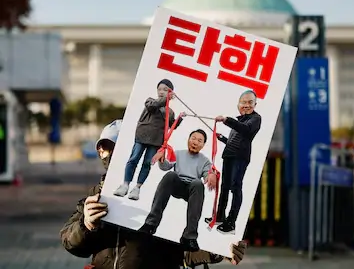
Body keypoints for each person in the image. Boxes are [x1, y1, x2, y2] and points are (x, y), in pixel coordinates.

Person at [60, 119, 247, 269]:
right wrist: (86, 224)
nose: (110, 154)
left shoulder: (164, 193)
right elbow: (71, 244)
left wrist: (219, 248)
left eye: (118, 148)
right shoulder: (95, 198)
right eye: (106, 148)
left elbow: (185, 253)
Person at [138, 129, 217, 251]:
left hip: (191, 190)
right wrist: (162, 158)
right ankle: (150, 224)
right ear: (188, 140)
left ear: (203, 145)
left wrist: (211, 175)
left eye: (199, 140)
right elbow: (166, 166)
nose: (195, 142)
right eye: (193, 138)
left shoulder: (205, 161)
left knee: (198, 183)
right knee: (170, 175)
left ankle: (189, 237)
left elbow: (208, 174)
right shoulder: (178, 153)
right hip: (177, 184)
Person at [114, 79, 185, 200]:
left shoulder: (170, 112)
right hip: (142, 136)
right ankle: (125, 184)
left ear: (170, 92)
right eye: (160, 89)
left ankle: (137, 188)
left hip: (156, 141)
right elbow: (153, 106)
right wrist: (166, 99)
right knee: (133, 159)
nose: (161, 92)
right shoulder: (150, 101)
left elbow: (172, 126)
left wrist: (179, 118)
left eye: (165, 90)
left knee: (147, 163)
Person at [205, 90, 262, 235]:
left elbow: (246, 131)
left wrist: (226, 120)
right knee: (224, 187)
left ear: (255, 104)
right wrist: (222, 138)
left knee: (235, 187)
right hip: (229, 155)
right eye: (244, 102)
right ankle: (219, 216)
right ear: (239, 104)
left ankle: (231, 223)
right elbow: (234, 140)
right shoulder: (240, 120)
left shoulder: (255, 119)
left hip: (240, 157)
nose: (246, 105)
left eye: (250, 102)